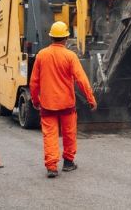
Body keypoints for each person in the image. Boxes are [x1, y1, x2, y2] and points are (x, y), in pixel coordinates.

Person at [29, 21, 97, 178]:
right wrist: (90, 99)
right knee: (69, 133)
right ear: (66, 38)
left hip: (47, 105)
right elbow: (81, 79)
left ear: (51, 37)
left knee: (50, 135)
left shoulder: (41, 55)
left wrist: (35, 100)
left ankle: (52, 167)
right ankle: (68, 163)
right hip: (67, 104)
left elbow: (34, 82)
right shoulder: (70, 56)